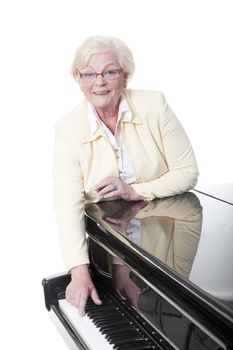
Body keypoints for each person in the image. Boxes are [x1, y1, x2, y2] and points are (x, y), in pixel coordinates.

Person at [54, 35, 198, 315]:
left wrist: (136, 191)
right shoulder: (68, 129)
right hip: (106, 250)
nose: (100, 82)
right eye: (89, 74)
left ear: (125, 76)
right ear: (78, 78)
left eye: (110, 71)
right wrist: (78, 270)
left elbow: (188, 172)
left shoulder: (154, 105)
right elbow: (66, 203)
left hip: (163, 242)